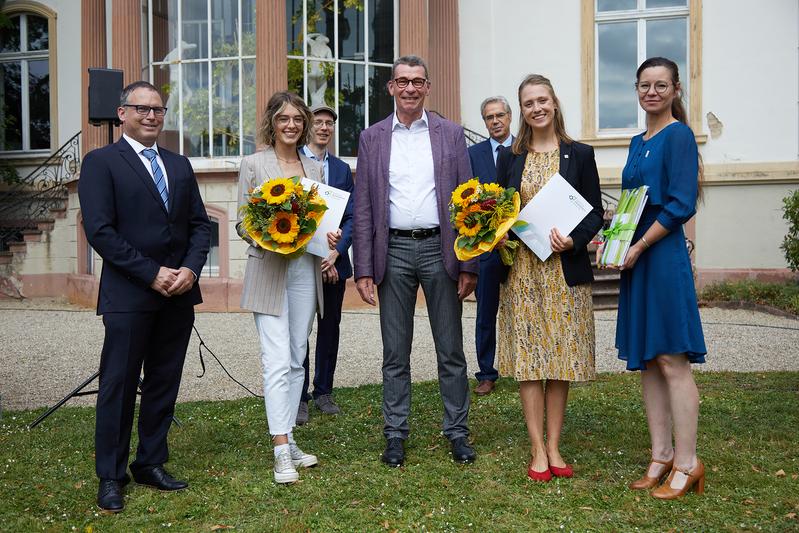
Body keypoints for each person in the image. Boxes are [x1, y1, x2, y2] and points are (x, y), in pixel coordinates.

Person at [78, 81, 211, 512]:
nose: (152, 116)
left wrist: (190, 269)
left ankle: (150, 461)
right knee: (118, 384)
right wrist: (151, 273)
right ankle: (111, 475)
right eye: (143, 109)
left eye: (159, 110)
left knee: (162, 382)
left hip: (178, 295)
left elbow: (199, 225)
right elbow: (101, 231)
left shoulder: (179, 164)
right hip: (130, 294)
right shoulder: (101, 163)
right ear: (122, 113)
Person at [352, 55, 479, 467]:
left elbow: (468, 202)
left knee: (451, 350)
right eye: (402, 82)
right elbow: (366, 206)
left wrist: (469, 263)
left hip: (441, 247)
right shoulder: (372, 137)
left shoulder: (451, 134)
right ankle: (395, 433)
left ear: (427, 87)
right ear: (390, 87)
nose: (410, 89)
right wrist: (364, 267)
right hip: (394, 251)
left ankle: (457, 432)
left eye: (418, 82)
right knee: (395, 352)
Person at [599, 57, 707, 499]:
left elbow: (681, 203)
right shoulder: (635, 141)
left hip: (660, 257)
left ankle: (688, 462)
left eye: (661, 85)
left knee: (671, 360)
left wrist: (640, 245)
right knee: (648, 360)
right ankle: (661, 455)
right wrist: (613, 233)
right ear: (636, 89)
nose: (652, 92)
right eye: (645, 85)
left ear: (676, 90)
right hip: (635, 258)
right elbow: (632, 203)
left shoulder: (678, 135)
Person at [495, 74, 603, 482]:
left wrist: (574, 240)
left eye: (543, 100)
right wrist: (499, 229)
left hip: (562, 272)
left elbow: (594, 212)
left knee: (559, 360)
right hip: (522, 271)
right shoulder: (511, 157)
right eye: (528, 103)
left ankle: (555, 445)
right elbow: (499, 210)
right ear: (521, 111)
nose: (537, 108)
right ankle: (537, 448)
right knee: (528, 360)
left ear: (554, 103)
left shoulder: (580, 154)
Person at [236, 91, 340, 484]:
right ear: (272, 123)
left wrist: (331, 238)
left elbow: (319, 221)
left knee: (297, 357)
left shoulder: (312, 169)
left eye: (298, 119)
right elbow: (243, 222)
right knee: (276, 360)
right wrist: (269, 236)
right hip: (269, 270)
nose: (292, 125)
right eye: (284, 119)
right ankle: (281, 449)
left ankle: (290, 437)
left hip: (304, 274)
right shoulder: (253, 163)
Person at [297, 104, 354, 423]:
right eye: (318, 122)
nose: (323, 127)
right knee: (301, 329)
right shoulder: (295, 162)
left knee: (330, 327)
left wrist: (336, 253)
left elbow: (350, 215)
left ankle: (324, 391)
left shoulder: (343, 169)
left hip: (335, 264)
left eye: (329, 123)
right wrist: (319, 256)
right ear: (309, 127)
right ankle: (300, 394)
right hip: (305, 263)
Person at [468, 96, 514, 396]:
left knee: (525, 309)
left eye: (500, 115)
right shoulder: (473, 153)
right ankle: (487, 372)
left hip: (521, 244)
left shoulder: (526, 148)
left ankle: (528, 366)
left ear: (510, 116)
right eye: (489, 117)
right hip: (487, 247)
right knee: (486, 312)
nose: (495, 121)